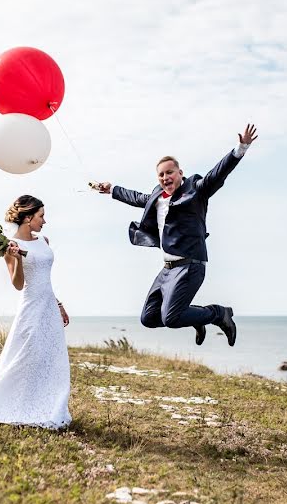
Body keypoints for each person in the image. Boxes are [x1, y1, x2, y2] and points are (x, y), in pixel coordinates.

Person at [96, 124, 257, 347]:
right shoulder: (157, 197)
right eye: (161, 174)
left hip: (190, 266)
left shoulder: (196, 191)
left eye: (169, 172)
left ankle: (219, 314)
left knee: (171, 318)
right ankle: (194, 318)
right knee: (149, 318)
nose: (165, 177)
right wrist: (111, 189)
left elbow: (217, 175)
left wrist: (241, 148)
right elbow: (137, 197)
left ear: (180, 173)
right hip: (167, 269)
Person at [0, 195, 72, 429]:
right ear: (27, 218)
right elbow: (18, 284)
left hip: (48, 304)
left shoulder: (43, 240)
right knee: (26, 355)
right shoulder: (10, 247)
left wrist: (58, 304)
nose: (44, 221)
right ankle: (10, 403)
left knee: (51, 358)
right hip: (31, 307)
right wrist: (16, 259)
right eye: (41, 216)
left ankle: (49, 405)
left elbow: (45, 279)